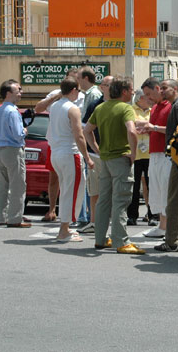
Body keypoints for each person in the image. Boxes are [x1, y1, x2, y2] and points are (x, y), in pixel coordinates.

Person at [85, 76, 144, 254]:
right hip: (120, 158)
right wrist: (133, 154)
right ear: (124, 91)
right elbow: (131, 131)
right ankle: (121, 241)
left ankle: (100, 239)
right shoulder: (125, 108)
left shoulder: (101, 107)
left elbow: (87, 130)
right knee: (121, 200)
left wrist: (97, 149)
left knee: (104, 200)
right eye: (131, 89)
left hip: (105, 159)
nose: (133, 92)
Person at [46, 77, 94, 242]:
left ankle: (64, 227)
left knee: (66, 191)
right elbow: (79, 135)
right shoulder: (72, 109)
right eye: (78, 91)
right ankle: (64, 230)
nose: (79, 94)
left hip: (56, 153)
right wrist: (87, 157)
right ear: (73, 90)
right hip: (69, 153)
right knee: (72, 192)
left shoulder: (55, 106)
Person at [35, 68, 83, 223]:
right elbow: (39, 108)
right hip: (61, 146)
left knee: (72, 185)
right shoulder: (57, 99)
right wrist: (58, 95)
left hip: (71, 145)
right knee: (61, 181)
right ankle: (56, 213)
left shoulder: (82, 97)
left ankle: (73, 217)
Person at [154, 79, 178, 253]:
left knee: (174, 201)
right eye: (160, 88)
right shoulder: (176, 105)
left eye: (165, 88)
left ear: (175, 89)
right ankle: (174, 236)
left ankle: (172, 240)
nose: (161, 91)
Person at [0, 80, 29, 227]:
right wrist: (24, 131)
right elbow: (18, 134)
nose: (21, 93)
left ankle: (2, 217)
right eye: (18, 90)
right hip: (13, 150)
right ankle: (15, 218)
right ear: (8, 93)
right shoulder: (13, 111)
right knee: (18, 185)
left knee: (2, 186)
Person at [80, 75, 114, 231]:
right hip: (96, 155)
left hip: (114, 155)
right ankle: (94, 221)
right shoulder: (95, 104)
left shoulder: (120, 104)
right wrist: (95, 149)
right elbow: (85, 128)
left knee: (114, 190)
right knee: (95, 190)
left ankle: (113, 222)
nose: (111, 87)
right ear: (102, 87)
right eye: (108, 84)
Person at [138, 77, 171, 235]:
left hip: (166, 154)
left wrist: (154, 128)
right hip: (154, 153)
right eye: (145, 95)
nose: (148, 98)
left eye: (149, 93)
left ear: (158, 89)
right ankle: (162, 225)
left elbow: (174, 129)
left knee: (165, 189)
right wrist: (148, 129)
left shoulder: (170, 106)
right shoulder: (156, 107)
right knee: (156, 189)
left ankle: (166, 226)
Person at [76, 66, 105, 232]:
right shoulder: (89, 95)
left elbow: (88, 126)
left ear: (86, 78)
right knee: (92, 187)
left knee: (95, 187)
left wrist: (92, 147)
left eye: (79, 78)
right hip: (93, 148)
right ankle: (91, 219)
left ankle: (92, 219)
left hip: (96, 150)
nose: (78, 81)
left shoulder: (94, 96)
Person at [129, 89, 151, 225]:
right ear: (139, 99)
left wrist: (145, 126)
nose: (149, 99)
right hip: (135, 153)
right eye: (146, 97)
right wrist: (147, 126)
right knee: (134, 186)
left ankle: (152, 215)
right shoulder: (131, 109)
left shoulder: (152, 111)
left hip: (150, 153)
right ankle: (132, 215)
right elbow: (131, 125)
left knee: (151, 186)